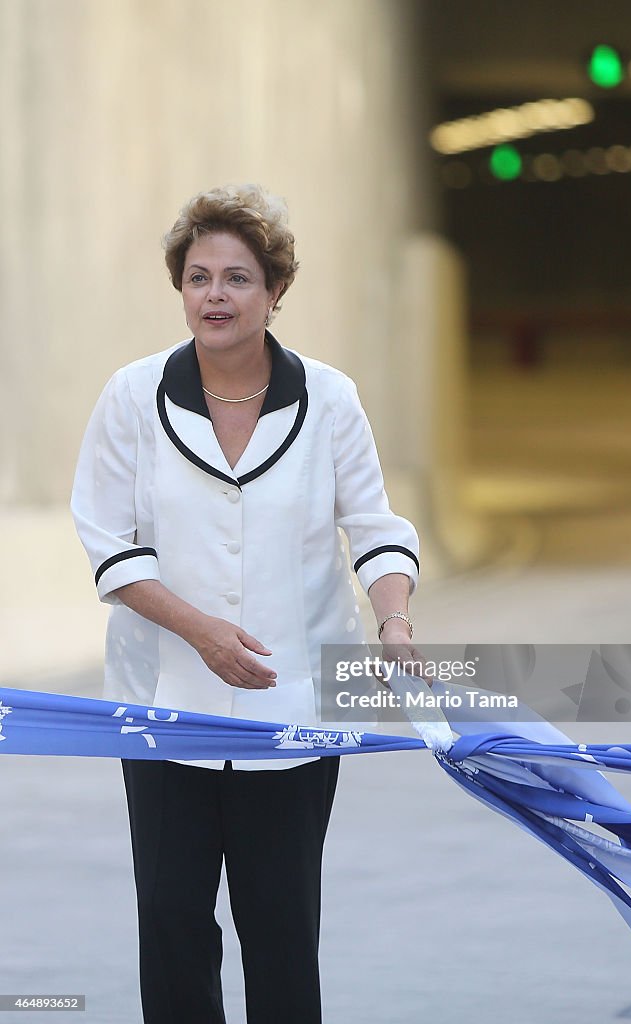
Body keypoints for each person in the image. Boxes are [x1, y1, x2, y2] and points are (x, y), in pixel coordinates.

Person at [70, 184, 421, 1024]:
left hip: (294, 711)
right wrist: (200, 634)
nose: (215, 295)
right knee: (172, 929)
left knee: (282, 933)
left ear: (274, 292)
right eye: (198, 277)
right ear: (180, 289)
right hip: (164, 712)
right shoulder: (130, 395)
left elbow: (373, 526)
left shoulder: (330, 398)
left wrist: (395, 622)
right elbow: (108, 543)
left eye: (235, 278)